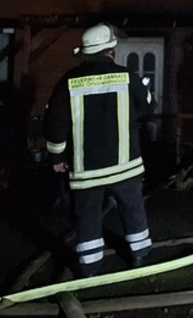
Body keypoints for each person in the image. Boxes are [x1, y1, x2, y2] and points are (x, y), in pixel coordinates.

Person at [44, 23, 157, 278]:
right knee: (133, 210)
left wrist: (56, 158)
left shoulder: (68, 82)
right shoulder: (126, 76)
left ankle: (90, 268)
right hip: (125, 165)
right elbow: (149, 105)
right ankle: (139, 258)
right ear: (110, 50)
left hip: (86, 171)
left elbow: (55, 124)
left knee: (87, 217)